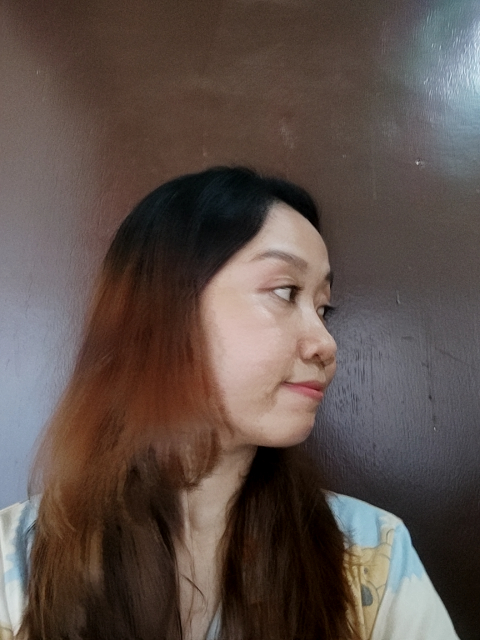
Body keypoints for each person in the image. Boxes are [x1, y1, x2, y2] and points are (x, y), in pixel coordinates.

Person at [0, 167, 458, 640]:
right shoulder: (14, 563)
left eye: (324, 308)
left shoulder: (370, 556)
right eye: (285, 292)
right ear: (166, 307)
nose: (325, 343)